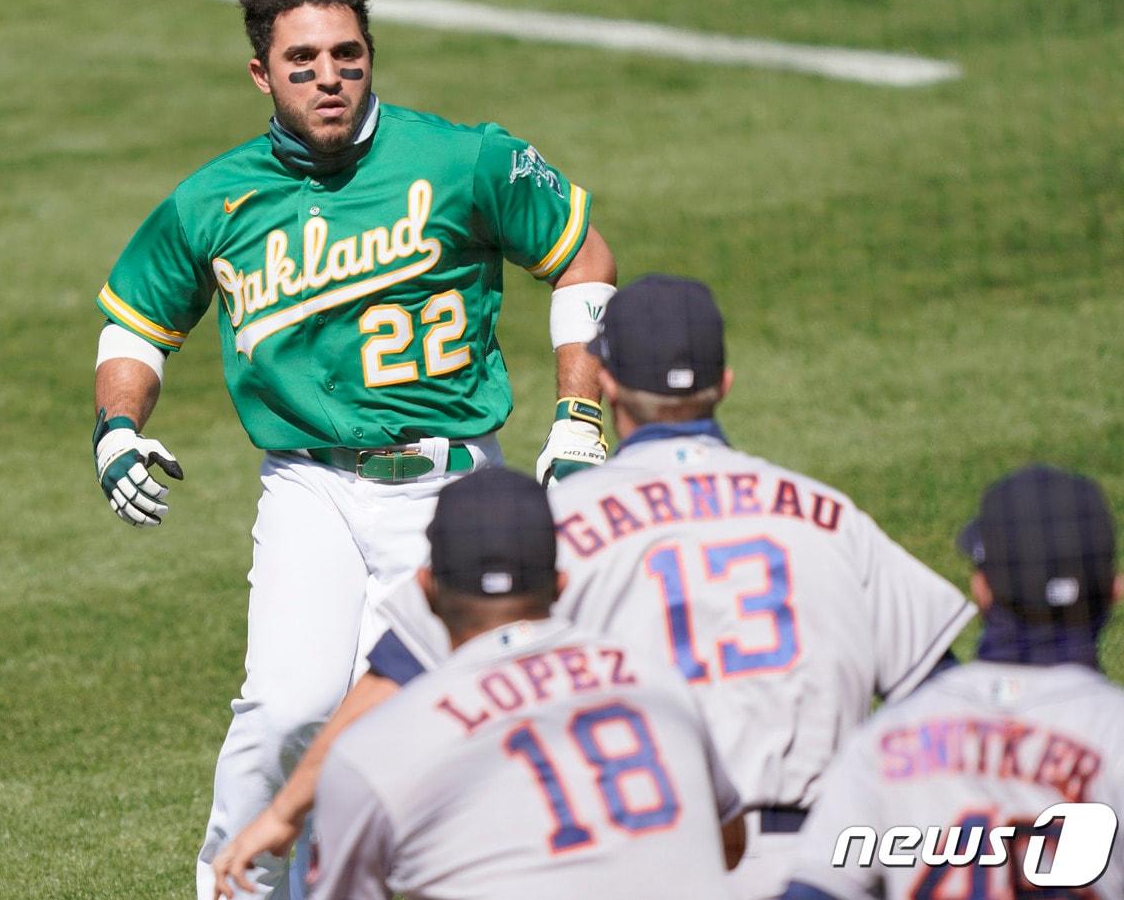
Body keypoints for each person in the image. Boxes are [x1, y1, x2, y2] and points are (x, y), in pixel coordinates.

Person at [88, 0, 617, 898]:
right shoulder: (213, 200)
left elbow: (582, 258)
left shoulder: (464, 159)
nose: (328, 76)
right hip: (310, 486)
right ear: (262, 75)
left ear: (371, 57)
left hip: (454, 486)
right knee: (286, 706)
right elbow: (135, 325)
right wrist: (117, 430)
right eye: (302, 61)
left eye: (347, 55)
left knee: (443, 725)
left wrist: (578, 418)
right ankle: (235, 884)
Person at [213, 274, 974, 900]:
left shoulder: (552, 527)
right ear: (725, 383)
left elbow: (394, 675)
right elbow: (944, 697)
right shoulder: (831, 517)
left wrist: (283, 813)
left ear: (605, 382)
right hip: (828, 863)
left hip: (654, 858)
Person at [308, 468, 743, 900]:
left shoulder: (374, 751)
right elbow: (730, 846)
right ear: (561, 584)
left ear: (426, 590)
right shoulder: (661, 686)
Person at [780, 464, 1123, 900]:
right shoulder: (1113, 731)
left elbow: (816, 889)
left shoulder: (888, 737)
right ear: (1114, 590)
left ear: (982, 589)